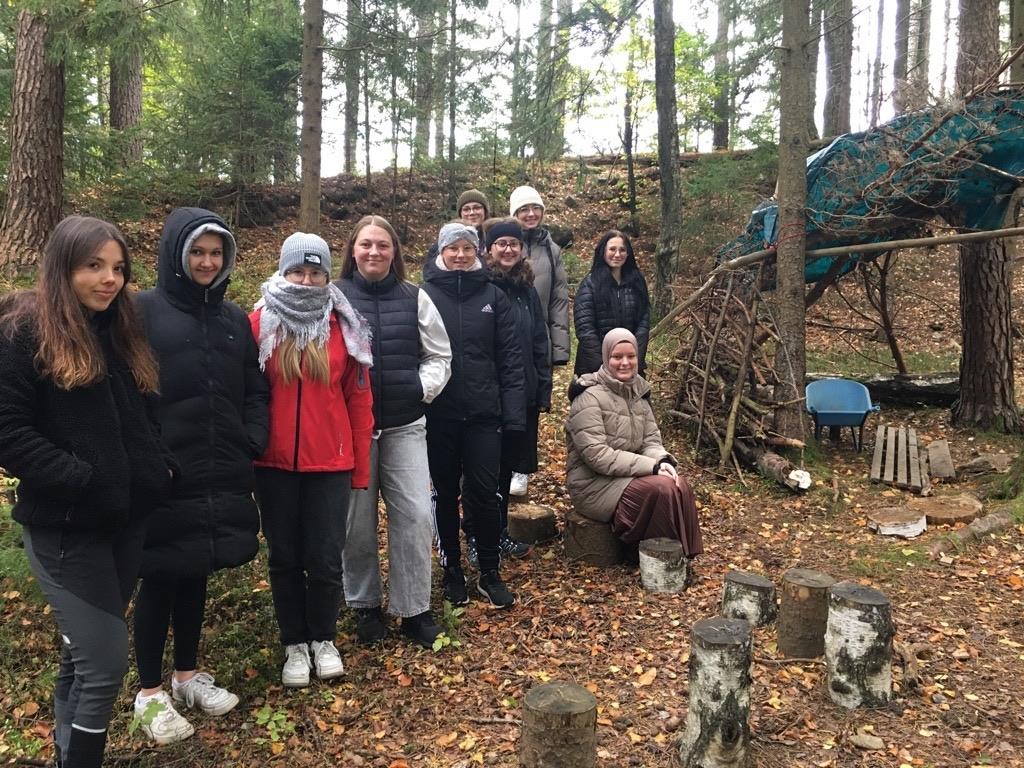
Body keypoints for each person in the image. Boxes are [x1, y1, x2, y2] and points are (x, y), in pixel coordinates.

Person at [0, 216, 176, 768]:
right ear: (62, 267)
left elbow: (148, 409)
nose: (110, 279)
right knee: (103, 665)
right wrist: (82, 478)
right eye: (93, 266)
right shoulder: (23, 332)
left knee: (81, 660)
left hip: (125, 524)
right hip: (65, 528)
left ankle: (63, 754)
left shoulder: (119, 328)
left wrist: (159, 465)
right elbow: (8, 432)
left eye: (118, 268)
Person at [131, 208, 270, 744]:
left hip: (220, 469)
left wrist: (250, 438)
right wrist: (152, 456)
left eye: (215, 253)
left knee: (197, 568)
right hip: (165, 471)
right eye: (197, 252)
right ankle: (148, 693)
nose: (207, 262)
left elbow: (255, 390)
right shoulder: (142, 311)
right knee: (160, 573)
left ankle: (186, 676)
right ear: (176, 254)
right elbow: (129, 392)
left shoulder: (234, 319)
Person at [250, 233, 373, 688]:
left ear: (326, 276)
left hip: (331, 463)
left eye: (315, 272)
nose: (306, 280)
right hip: (273, 465)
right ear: (283, 273)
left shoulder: (346, 326)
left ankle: (323, 638)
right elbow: (247, 396)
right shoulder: (259, 323)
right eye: (297, 272)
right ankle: (293, 645)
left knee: (324, 558)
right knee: (284, 558)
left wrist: (360, 466)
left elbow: (360, 401)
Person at [335, 216, 452, 647]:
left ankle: (413, 608)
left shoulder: (415, 297)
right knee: (357, 523)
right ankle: (364, 605)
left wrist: (421, 387)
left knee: (416, 515)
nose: (374, 252)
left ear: (394, 252)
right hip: (353, 430)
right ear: (353, 250)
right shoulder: (334, 296)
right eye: (366, 244)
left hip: (404, 425)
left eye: (382, 245)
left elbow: (441, 355)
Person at [421, 222, 525, 609]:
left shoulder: (494, 298)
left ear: (478, 252)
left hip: (484, 415)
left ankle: (490, 570)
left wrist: (513, 419)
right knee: (445, 493)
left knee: (484, 493)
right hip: (439, 415)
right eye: (453, 249)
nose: (461, 255)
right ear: (441, 253)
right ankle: (452, 570)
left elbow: (511, 362)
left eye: (468, 248)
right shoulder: (424, 296)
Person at [565, 329, 703, 568]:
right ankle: (656, 562)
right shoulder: (589, 398)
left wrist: (662, 461)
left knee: (679, 485)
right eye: (617, 356)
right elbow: (598, 456)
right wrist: (651, 467)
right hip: (593, 485)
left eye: (631, 356)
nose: (625, 363)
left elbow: (651, 441)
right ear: (606, 358)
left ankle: (679, 558)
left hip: (626, 477)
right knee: (660, 488)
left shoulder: (638, 394)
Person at [479, 217, 552, 563]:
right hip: (488, 396)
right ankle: (479, 538)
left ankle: (499, 533)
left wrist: (543, 388)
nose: (508, 249)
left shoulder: (527, 291)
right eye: (501, 244)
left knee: (507, 467)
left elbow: (540, 340)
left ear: (522, 250)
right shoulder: (482, 288)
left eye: (514, 244)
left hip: (522, 394)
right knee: (483, 471)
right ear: (490, 249)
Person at [508, 185, 570, 497]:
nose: (530, 214)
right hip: (507, 338)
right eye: (523, 210)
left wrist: (558, 350)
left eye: (535, 208)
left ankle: (521, 469)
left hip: (538, 339)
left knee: (531, 405)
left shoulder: (551, 249)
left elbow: (559, 300)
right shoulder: (505, 245)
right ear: (514, 214)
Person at [573, 230, 651, 379]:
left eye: (622, 250)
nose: (617, 254)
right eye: (612, 249)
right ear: (603, 251)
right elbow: (585, 330)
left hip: (629, 366)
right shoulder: (590, 284)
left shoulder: (637, 282)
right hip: (594, 368)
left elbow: (643, 325)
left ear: (628, 254)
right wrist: (605, 368)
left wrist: (633, 361)